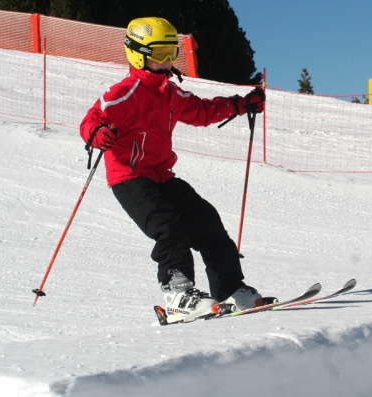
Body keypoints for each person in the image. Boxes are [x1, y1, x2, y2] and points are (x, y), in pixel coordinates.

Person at [79, 17, 265, 323]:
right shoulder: (124, 93)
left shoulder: (169, 93)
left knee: (207, 221)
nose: (167, 61)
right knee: (168, 228)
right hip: (130, 177)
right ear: (138, 54)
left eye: (171, 53)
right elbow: (90, 120)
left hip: (162, 175)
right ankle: (179, 295)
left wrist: (240, 105)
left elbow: (203, 111)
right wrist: (97, 134)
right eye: (159, 53)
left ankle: (230, 289)